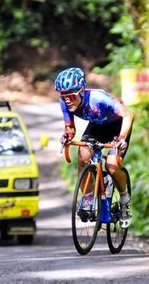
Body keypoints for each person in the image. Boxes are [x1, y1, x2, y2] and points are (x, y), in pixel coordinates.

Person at [56, 67, 134, 228]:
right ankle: (89, 197)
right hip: (98, 126)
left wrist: (121, 139)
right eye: (63, 96)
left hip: (118, 126)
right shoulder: (65, 102)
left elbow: (128, 115)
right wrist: (67, 136)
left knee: (112, 165)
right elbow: (70, 127)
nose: (67, 100)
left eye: (70, 95)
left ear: (81, 91)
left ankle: (125, 200)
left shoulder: (98, 98)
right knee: (83, 156)